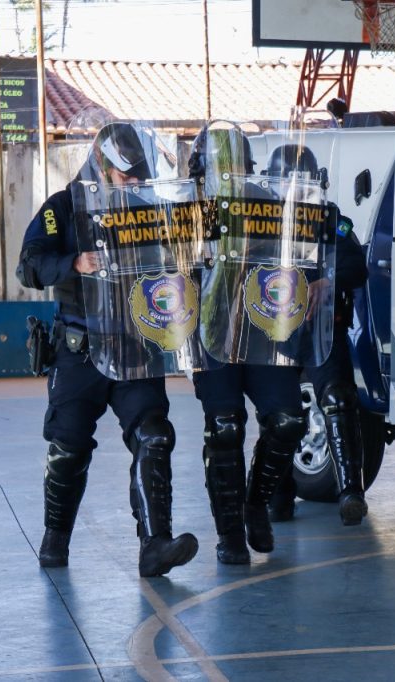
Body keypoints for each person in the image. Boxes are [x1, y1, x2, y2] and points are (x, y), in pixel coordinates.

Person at [16, 122, 199, 577]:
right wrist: (73, 263)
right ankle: (55, 539)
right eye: (125, 174)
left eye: (139, 174)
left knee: (154, 434)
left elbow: (181, 259)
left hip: (135, 346)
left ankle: (155, 545)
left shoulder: (148, 210)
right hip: (79, 350)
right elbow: (29, 265)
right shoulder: (62, 208)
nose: (133, 182)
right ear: (101, 165)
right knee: (69, 445)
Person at [189, 127, 309, 564]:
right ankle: (230, 537)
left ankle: (255, 503)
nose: (230, 170)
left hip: (262, 328)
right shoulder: (183, 205)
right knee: (224, 427)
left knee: (288, 420)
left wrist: (315, 278)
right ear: (201, 167)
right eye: (222, 162)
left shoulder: (267, 202)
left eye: (236, 162)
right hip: (211, 332)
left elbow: (302, 251)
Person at [263, 144, 371, 526]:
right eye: (289, 180)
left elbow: (357, 265)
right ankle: (276, 497)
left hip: (321, 332)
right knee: (278, 415)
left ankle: (351, 493)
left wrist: (329, 280)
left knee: (339, 398)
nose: (296, 187)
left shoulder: (330, 219)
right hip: (274, 333)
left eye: (303, 180)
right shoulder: (257, 221)